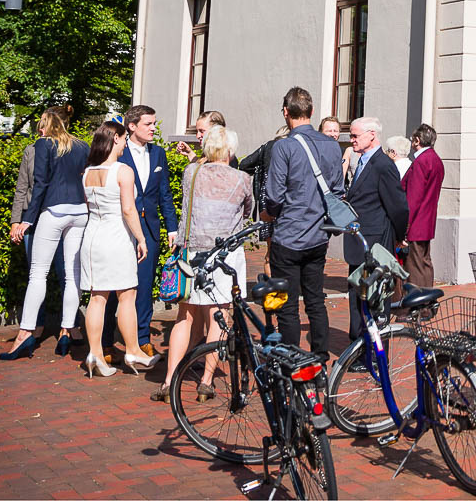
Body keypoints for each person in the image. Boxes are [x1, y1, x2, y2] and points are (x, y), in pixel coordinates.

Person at [152, 124, 254, 402]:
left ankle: (169, 380)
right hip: (225, 254)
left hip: (192, 252)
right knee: (219, 317)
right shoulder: (243, 179)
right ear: (230, 150)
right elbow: (247, 211)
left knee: (184, 317)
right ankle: (206, 381)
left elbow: (187, 207)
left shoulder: (191, 172)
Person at [1, 109, 89, 359]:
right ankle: (66, 331)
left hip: (54, 211)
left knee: (38, 274)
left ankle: (25, 334)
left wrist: (27, 220)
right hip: (80, 212)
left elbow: (40, 183)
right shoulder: (81, 146)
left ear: (45, 125)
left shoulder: (43, 144)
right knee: (73, 277)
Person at [264, 87, 343, 357]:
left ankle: (292, 358)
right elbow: (338, 191)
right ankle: (320, 356)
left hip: (289, 235)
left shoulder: (284, 146)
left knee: (287, 305)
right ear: (310, 112)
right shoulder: (332, 145)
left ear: (286, 112)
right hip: (318, 236)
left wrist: (271, 212)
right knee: (315, 300)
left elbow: (273, 197)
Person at [78, 121, 158, 378]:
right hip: (116, 237)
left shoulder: (88, 171)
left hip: (92, 237)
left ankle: (95, 354)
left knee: (97, 297)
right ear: (115, 140)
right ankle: (133, 350)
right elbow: (128, 209)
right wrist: (141, 238)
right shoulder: (123, 171)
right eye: (123, 139)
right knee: (127, 295)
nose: (125, 143)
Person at [106, 105, 178, 356]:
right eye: (148, 124)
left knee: (144, 286)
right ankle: (106, 341)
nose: (153, 128)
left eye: (154, 123)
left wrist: (172, 227)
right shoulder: (117, 153)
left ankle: (141, 337)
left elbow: (165, 194)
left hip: (149, 229)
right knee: (114, 286)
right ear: (132, 126)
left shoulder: (158, 154)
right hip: (121, 228)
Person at [343, 117, 409, 339]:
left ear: (372, 135)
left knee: (374, 299)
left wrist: (400, 237)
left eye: (355, 136)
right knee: (357, 295)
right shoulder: (363, 161)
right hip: (360, 242)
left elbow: (398, 207)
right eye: (350, 135)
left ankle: (373, 354)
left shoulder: (383, 165)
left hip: (375, 243)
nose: (351, 140)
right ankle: (358, 348)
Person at [403, 124, 444, 289]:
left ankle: (419, 304)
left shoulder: (421, 161)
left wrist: (405, 226)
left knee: (415, 266)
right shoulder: (436, 160)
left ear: (417, 140)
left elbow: (413, 198)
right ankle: (426, 302)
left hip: (417, 222)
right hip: (427, 220)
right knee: (424, 263)